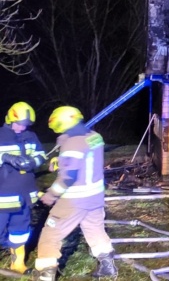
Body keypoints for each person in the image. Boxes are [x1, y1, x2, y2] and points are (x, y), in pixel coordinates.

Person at [33, 106, 117, 281]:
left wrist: (51, 195)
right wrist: (61, 159)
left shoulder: (72, 144)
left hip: (74, 200)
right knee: (95, 230)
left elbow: (68, 178)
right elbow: (84, 158)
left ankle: (45, 275)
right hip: (95, 198)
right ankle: (108, 267)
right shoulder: (95, 137)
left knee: (50, 234)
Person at [0, 102, 45, 274]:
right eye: (19, 124)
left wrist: (33, 161)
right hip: (3, 196)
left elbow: (41, 155)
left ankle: (17, 264)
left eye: (25, 125)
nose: (21, 128)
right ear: (9, 120)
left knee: (20, 230)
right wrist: (6, 157)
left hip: (24, 195)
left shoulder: (31, 136)